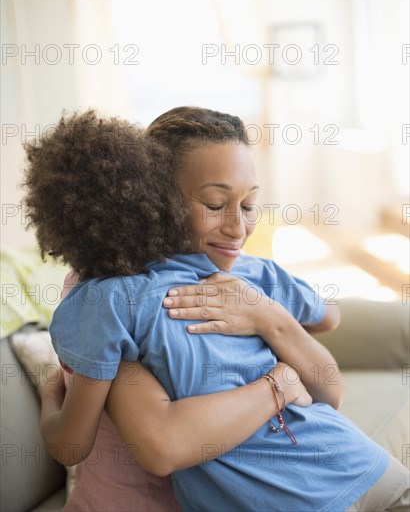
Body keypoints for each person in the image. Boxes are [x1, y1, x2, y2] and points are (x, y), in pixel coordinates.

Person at [25, 108, 409, 511]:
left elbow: (330, 377)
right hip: (337, 482)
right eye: (214, 203)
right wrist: (281, 376)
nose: (238, 228)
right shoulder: (117, 300)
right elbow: (161, 445)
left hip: (363, 470)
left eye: (249, 205)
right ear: (156, 198)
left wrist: (268, 316)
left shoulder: (251, 274)